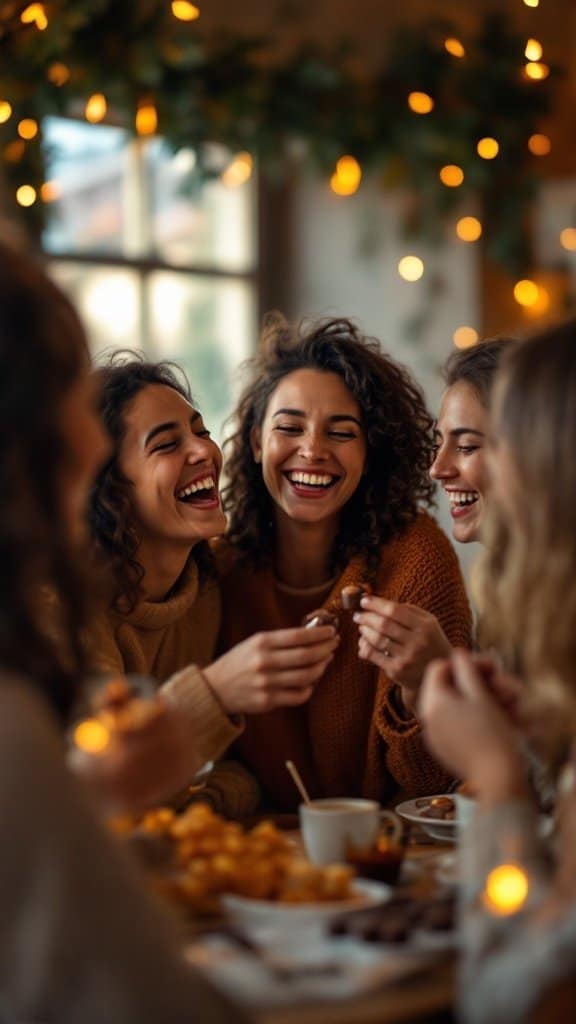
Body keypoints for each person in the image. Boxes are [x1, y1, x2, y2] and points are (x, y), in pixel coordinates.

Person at [0, 240, 250, 1023]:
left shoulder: (218, 583)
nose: (205, 452)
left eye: (198, 429)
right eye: (73, 404)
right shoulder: (36, 660)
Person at [216, 314, 472, 811]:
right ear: (256, 442)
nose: (312, 450)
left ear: (370, 451)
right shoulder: (221, 571)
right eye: (289, 428)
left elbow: (438, 788)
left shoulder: (418, 560)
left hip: (391, 847)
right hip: (257, 849)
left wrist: (420, 689)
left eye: (341, 432)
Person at [86, 355, 338, 813]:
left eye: (200, 432)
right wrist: (214, 692)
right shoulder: (68, 608)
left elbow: (232, 770)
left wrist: (198, 803)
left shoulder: (206, 588)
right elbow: (100, 788)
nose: (204, 452)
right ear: (111, 492)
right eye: (166, 444)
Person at [420, 318, 576, 1023]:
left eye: (476, 444)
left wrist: (498, 771)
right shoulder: (536, 617)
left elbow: (522, 999)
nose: (438, 469)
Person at [361, 336, 515, 687]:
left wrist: (443, 672)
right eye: (438, 444)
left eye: (467, 446)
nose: (436, 469)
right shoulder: (501, 584)